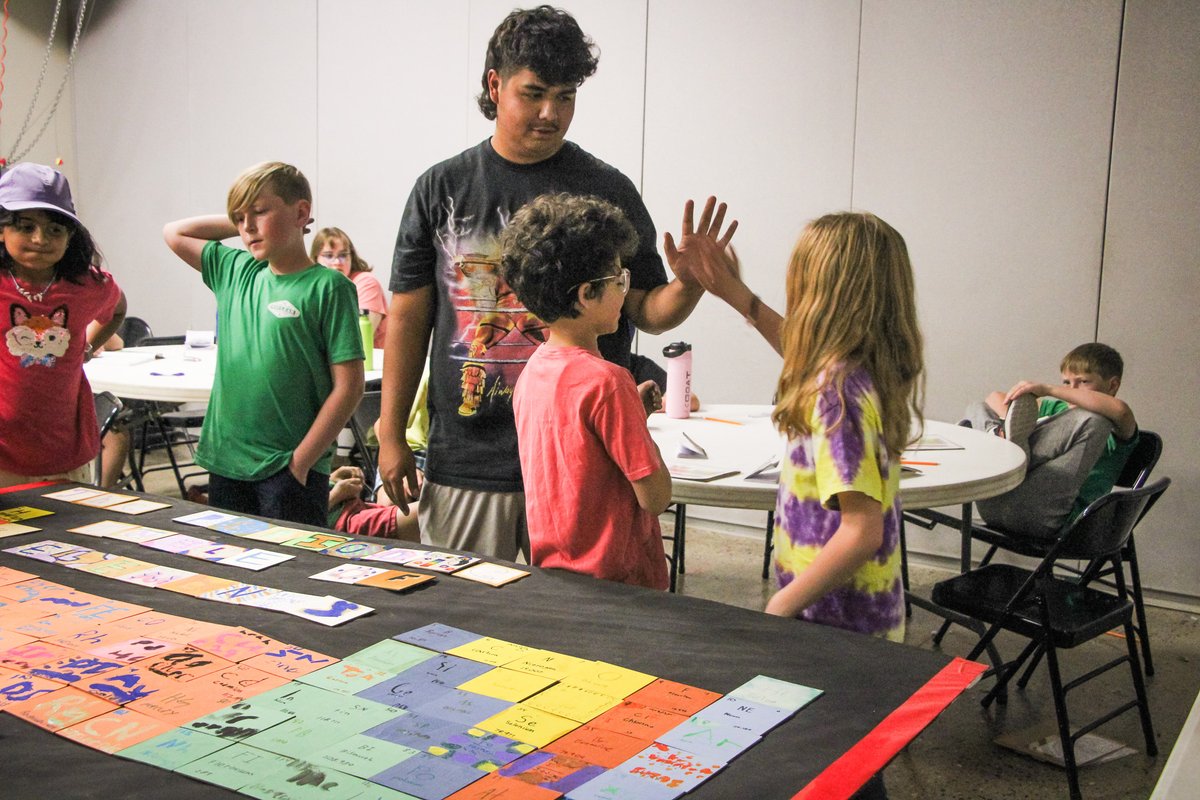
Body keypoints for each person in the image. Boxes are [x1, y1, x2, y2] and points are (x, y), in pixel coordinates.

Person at [378, 5, 734, 560]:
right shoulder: (441, 188)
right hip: (471, 460)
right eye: (534, 93)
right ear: (495, 86)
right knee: (465, 605)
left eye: (566, 97)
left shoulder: (606, 187)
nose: (551, 112)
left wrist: (690, 284)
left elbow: (646, 309)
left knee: (579, 611)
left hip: (584, 461)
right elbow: (407, 319)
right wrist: (390, 433)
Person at [693, 212, 925, 642]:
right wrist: (735, 293)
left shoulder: (837, 392)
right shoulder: (860, 369)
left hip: (836, 626)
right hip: (854, 617)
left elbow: (860, 532)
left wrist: (779, 607)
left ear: (823, 294)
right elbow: (802, 351)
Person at [163, 161, 364, 527]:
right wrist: (244, 219)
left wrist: (300, 462)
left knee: (292, 561)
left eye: (259, 212)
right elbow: (174, 232)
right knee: (230, 557)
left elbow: (349, 387)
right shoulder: (236, 270)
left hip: (287, 467)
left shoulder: (329, 287)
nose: (247, 227)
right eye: (239, 218)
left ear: (301, 213)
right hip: (227, 461)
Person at [504, 194, 671, 589]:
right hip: (620, 585)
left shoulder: (531, 373)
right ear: (585, 295)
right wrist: (638, 426)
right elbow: (655, 497)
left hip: (559, 579)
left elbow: (579, 457)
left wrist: (632, 415)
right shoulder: (609, 382)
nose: (624, 290)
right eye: (618, 280)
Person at [0, 163, 127, 488]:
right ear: (2, 229)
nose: (40, 239)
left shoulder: (88, 285)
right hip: (4, 455)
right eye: (25, 227)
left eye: (55, 229)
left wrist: (87, 346)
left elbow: (116, 310)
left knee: (68, 521)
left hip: (65, 453)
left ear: (70, 236)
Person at [963, 342, 1138, 540]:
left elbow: (1121, 411)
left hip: (1050, 517)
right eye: (1066, 382)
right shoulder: (1055, 408)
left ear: (1112, 385)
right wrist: (1007, 425)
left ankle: (1011, 453)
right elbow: (995, 397)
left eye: (1083, 382)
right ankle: (1002, 438)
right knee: (977, 407)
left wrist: (1048, 389)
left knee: (1095, 420)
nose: (1072, 390)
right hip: (996, 502)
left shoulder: (1117, 428)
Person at [311, 227, 388, 347]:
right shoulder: (313, 287)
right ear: (316, 259)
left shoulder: (367, 283)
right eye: (329, 256)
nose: (337, 262)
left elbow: (357, 339)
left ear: (351, 257)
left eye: (343, 255)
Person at [327, 465, 419, 541]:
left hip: (356, 508)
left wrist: (332, 479)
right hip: (346, 525)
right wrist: (336, 495)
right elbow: (318, 517)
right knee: (423, 512)